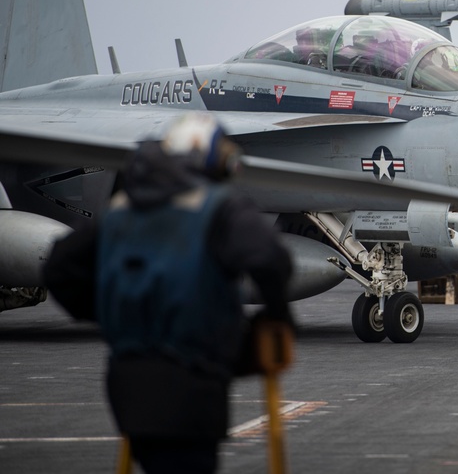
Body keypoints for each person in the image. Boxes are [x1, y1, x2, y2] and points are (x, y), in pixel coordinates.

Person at [43, 112, 294, 474]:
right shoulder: (218, 205)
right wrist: (276, 319)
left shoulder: (122, 210)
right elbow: (270, 259)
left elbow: (58, 268)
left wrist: (111, 313)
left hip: (128, 383)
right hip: (194, 383)